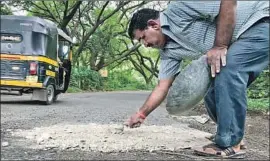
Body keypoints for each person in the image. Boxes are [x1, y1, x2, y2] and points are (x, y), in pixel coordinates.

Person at [125, 0, 269, 158]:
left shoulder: (178, 9)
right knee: (209, 85)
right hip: (240, 40)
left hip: (259, 21)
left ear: (154, 24)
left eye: (143, 37)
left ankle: (230, 143)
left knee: (227, 70)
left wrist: (220, 46)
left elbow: (228, 2)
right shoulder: (168, 52)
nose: (144, 44)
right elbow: (162, 86)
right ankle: (232, 137)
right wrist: (141, 114)